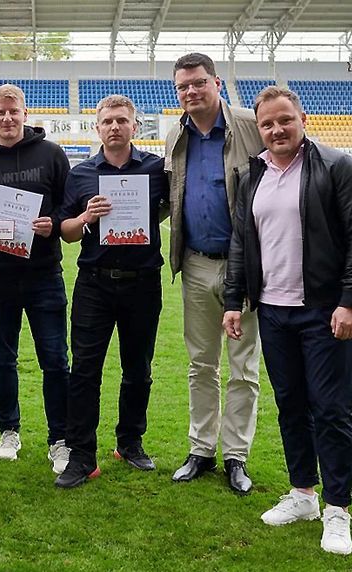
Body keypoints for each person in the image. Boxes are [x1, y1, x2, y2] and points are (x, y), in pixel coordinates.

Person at [223, 86, 352, 555]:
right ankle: (303, 494)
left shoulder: (335, 167)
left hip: (322, 310)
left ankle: (338, 508)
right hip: (273, 310)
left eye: (285, 120)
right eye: (268, 124)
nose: (277, 130)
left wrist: (348, 301)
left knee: (332, 410)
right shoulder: (251, 173)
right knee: (290, 404)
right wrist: (233, 299)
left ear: (303, 119)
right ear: (259, 128)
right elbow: (241, 241)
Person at [54, 95, 168, 488]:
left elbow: (168, 209)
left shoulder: (157, 169)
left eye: (122, 121)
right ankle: (82, 455)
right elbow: (65, 233)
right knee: (85, 370)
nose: (115, 127)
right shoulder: (82, 173)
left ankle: (130, 442)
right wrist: (86, 217)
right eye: (107, 121)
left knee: (138, 369)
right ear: (97, 127)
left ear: (135, 127)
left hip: (142, 282)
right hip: (95, 282)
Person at [165, 52, 263, 494]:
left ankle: (236, 455)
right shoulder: (175, 134)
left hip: (246, 269)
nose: (191, 92)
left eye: (198, 83)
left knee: (243, 368)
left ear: (217, 83)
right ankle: (201, 449)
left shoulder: (249, 125)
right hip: (196, 264)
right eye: (183, 87)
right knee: (200, 365)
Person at [0, 83, 71, 473]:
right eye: (0, 112)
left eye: (14, 111)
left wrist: (53, 224)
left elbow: (68, 205)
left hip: (44, 275)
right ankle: (8, 430)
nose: (7, 118)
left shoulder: (52, 155)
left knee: (55, 360)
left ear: (26, 114)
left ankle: (60, 438)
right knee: (2, 359)